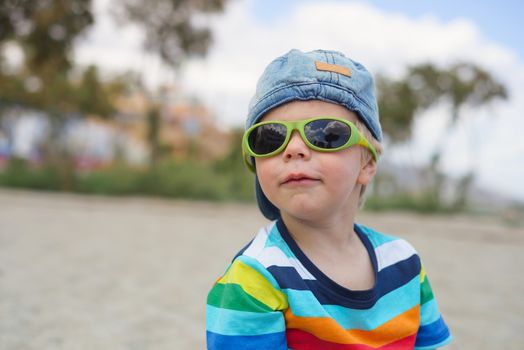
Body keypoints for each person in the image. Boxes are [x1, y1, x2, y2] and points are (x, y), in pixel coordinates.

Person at [206, 49, 452, 349]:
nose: (294, 149)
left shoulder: (404, 264)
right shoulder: (253, 280)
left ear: (367, 165)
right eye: (270, 138)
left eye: (325, 134)